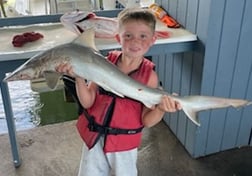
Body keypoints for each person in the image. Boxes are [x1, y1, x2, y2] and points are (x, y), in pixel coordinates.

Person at [57, 8, 181, 176]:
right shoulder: (104, 63)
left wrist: (160, 109)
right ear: (118, 38)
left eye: (143, 36)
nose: (135, 42)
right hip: (94, 140)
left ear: (153, 40)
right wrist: (79, 76)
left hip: (123, 146)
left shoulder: (150, 77)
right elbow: (87, 102)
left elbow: (147, 121)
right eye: (128, 36)